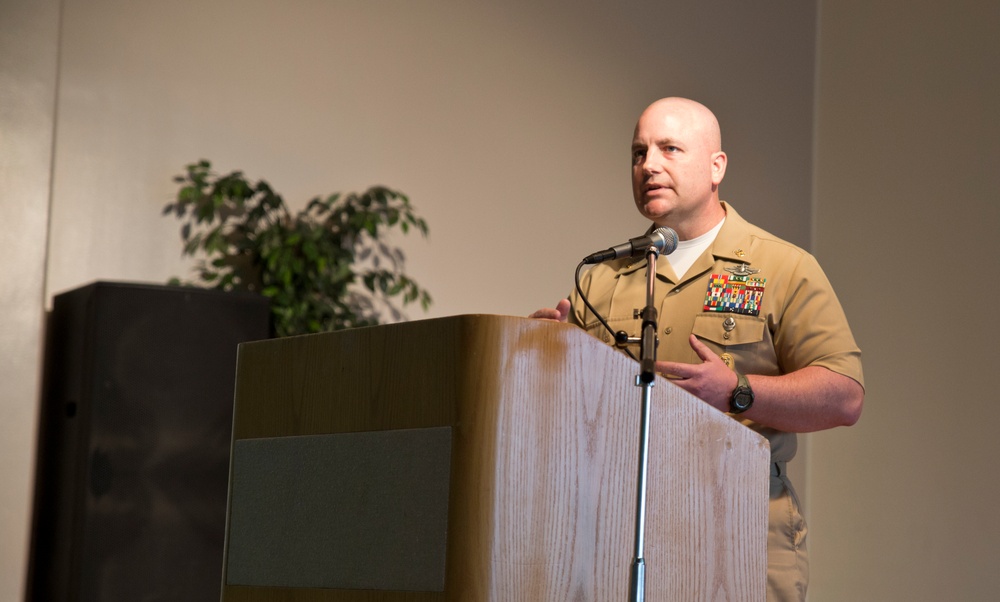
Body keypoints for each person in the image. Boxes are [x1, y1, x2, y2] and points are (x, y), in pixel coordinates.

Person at [531, 97, 864, 601]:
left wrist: (739, 392)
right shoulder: (603, 278)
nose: (649, 165)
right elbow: (577, 412)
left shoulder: (782, 266)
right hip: (621, 528)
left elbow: (844, 396)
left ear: (716, 167)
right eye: (639, 152)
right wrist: (548, 354)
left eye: (670, 148)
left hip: (740, 523)